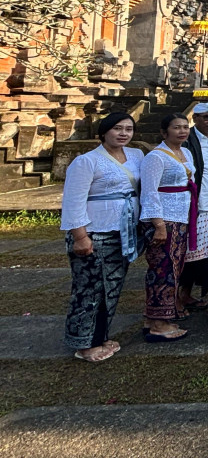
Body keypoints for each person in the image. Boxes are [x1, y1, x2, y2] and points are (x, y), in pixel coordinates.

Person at [60, 112, 143, 362]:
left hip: (123, 232)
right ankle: (85, 344)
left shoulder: (137, 156)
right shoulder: (87, 161)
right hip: (94, 232)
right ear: (104, 132)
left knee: (112, 288)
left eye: (128, 129)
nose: (123, 134)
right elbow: (73, 201)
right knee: (89, 290)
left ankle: (101, 336)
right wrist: (80, 236)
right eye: (117, 128)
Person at [139, 113, 195, 342]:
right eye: (176, 128)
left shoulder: (186, 152)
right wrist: (159, 225)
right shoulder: (155, 157)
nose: (182, 131)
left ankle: (154, 317)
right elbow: (149, 191)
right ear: (164, 132)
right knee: (162, 270)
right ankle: (159, 323)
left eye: (185, 127)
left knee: (174, 269)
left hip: (182, 216)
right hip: (164, 218)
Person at [179, 103, 208, 312]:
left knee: (206, 254)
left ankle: (192, 294)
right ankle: (181, 295)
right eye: (206, 117)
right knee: (189, 253)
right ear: (195, 119)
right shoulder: (187, 141)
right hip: (193, 204)